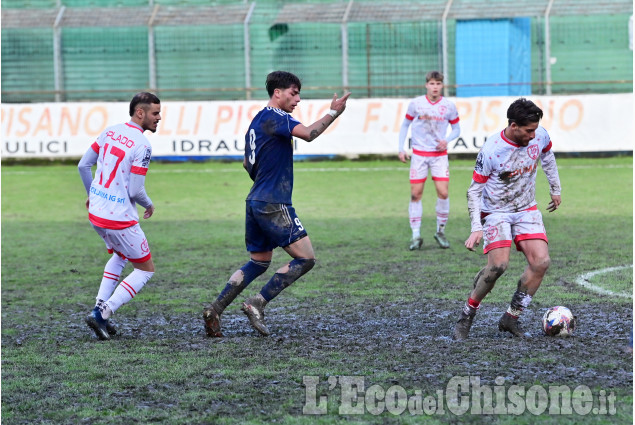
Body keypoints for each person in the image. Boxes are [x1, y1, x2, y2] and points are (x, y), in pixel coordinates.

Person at [203, 71, 350, 337]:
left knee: (259, 262)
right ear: (277, 92)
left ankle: (215, 308)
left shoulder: (257, 120)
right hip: (273, 201)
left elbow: (247, 163)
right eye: (293, 93)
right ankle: (257, 303)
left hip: (255, 199)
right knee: (306, 258)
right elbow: (308, 133)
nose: (298, 99)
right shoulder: (277, 117)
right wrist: (334, 113)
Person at [453, 98, 562, 340]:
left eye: (535, 129)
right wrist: (476, 227)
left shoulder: (540, 135)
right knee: (498, 266)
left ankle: (510, 317)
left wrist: (555, 189)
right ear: (513, 126)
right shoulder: (492, 150)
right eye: (528, 130)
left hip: (526, 208)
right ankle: (466, 316)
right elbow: (474, 191)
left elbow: (548, 157)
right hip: (496, 212)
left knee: (541, 262)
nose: (533, 136)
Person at [78, 92, 161, 340]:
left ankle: (99, 309)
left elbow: (83, 165)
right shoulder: (143, 145)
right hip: (118, 218)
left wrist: (93, 194)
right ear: (140, 113)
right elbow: (136, 190)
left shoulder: (110, 131)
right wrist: (149, 204)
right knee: (145, 270)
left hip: (96, 214)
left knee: (120, 255)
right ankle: (103, 313)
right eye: (155, 113)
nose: (159, 118)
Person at [398, 71, 460, 250]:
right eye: (432, 83)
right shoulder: (416, 104)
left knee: (443, 193)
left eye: (438, 84)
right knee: (416, 194)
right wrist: (401, 148)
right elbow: (405, 125)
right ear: (426, 85)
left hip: (439, 156)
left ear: (442, 86)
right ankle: (416, 235)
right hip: (419, 155)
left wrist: (446, 140)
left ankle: (440, 231)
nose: (435, 87)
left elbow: (456, 129)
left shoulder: (448, 106)